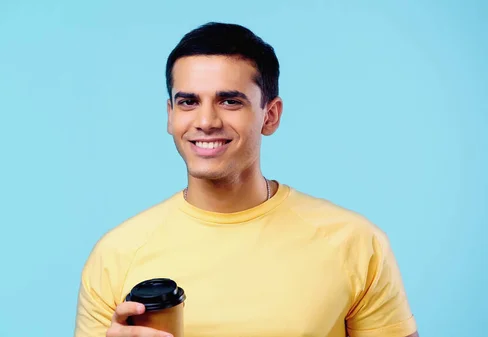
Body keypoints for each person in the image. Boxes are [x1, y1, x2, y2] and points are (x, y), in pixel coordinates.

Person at [73, 22, 419, 337]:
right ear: (171, 115)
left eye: (229, 101)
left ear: (270, 115)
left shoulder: (356, 244)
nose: (206, 121)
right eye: (189, 102)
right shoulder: (115, 256)